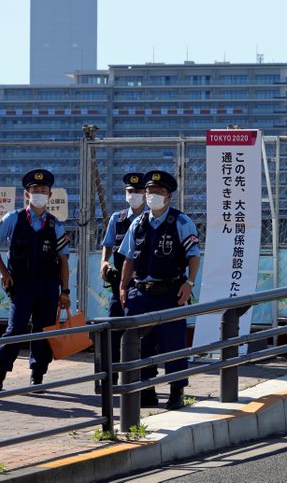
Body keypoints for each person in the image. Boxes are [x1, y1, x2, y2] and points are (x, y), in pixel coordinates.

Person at [117, 169, 201, 410]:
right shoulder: (138, 223)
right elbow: (128, 258)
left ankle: (176, 392)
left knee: (173, 344)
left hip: (170, 292)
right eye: (151, 191)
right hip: (141, 292)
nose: (154, 195)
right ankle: (146, 389)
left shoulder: (182, 222)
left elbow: (194, 256)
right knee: (139, 344)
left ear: (168, 196)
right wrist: (123, 287)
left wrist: (190, 282)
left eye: (160, 192)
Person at [0, 169, 71, 392]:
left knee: (43, 330)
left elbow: (63, 261)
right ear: (26, 194)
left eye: (43, 190)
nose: (39, 193)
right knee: (15, 329)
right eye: (35, 190)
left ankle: (37, 376)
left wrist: (65, 291)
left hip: (48, 286)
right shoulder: (14, 218)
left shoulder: (55, 225)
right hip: (21, 285)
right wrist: (4, 272)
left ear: (50, 195)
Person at [97, 172, 148, 397]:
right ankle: (110, 379)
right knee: (112, 331)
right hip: (119, 283)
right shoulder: (117, 219)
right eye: (130, 192)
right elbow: (108, 245)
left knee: (143, 334)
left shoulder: (152, 219)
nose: (134, 195)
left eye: (138, 192)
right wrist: (104, 262)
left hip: (143, 282)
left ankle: (143, 382)